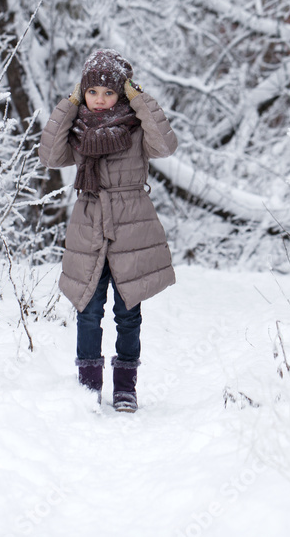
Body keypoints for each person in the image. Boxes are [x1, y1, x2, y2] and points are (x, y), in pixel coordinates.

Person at [39, 49, 178, 412]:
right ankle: (87, 389)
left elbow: (166, 145)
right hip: (89, 224)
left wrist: (139, 98)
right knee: (88, 308)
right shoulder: (79, 131)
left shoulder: (136, 130)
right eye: (92, 92)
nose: (100, 101)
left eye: (110, 93)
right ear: (82, 93)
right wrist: (69, 104)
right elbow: (50, 155)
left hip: (131, 224)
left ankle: (125, 389)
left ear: (122, 94)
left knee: (128, 311)